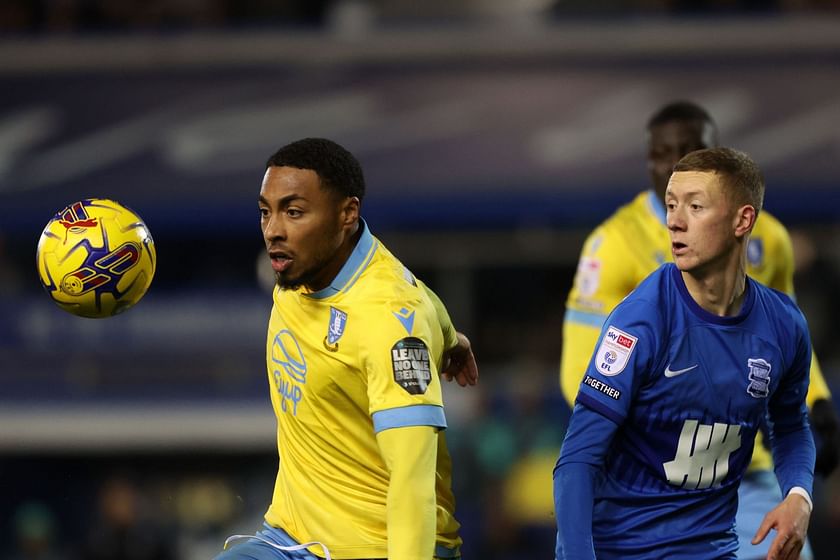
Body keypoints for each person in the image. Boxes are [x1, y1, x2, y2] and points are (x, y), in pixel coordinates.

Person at [559, 101, 838, 559]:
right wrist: (625, 427)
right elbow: (583, 387)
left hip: (739, 478)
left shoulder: (773, 250)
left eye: (694, 205)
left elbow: (788, 364)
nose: (676, 220)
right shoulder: (618, 253)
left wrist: (801, 485)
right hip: (643, 491)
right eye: (672, 204)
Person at [214, 137, 478, 560]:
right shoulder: (298, 270)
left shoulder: (388, 322)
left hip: (379, 547)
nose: (273, 230)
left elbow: (413, 483)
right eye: (266, 211)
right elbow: (425, 299)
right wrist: (452, 340)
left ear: (347, 214)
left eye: (294, 212)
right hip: (287, 538)